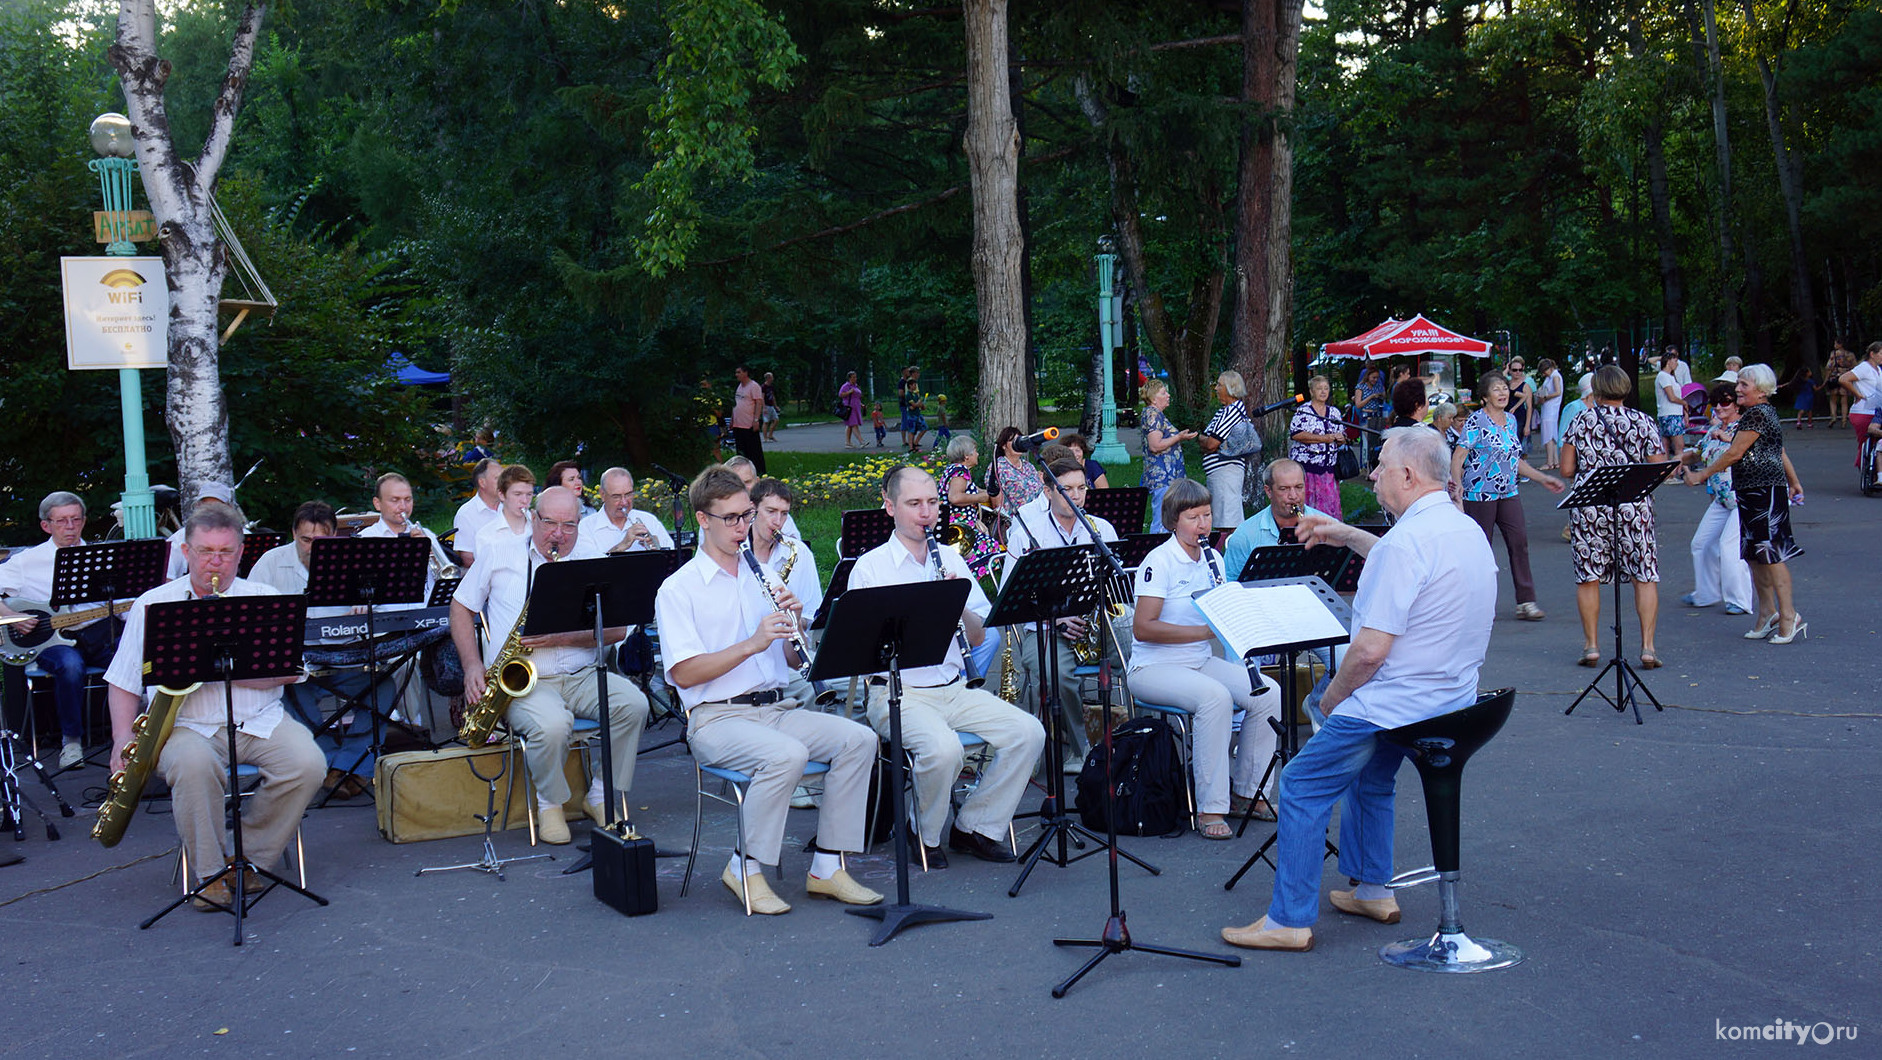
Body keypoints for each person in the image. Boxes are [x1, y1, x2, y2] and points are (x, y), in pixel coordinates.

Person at [1220, 427, 1495, 952]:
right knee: (1373, 775)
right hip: (1453, 700)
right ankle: (1373, 888)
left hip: (1398, 702)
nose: (1371, 474)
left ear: (1408, 476)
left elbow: (1368, 654)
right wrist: (1345, 534)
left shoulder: (1408, 543)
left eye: (1382, 465)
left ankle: (1288, 920)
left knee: (1300, 784)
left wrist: (1328, 702)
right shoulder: (1462, 530)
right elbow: (1399, 556)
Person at [654, 467, 881, 913]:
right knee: (787, 756)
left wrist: (797, 630)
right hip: (716, 718)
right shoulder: (678, 589)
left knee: (860, 738)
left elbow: (795, 661)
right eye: (731, 519)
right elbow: (682, 673)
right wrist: (753, 643)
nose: (743, 527)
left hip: (775, 707)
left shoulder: (766, 577)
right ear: (703, 519)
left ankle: (826, 867)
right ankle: (744, 868)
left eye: (747, 515)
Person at [105, 502, 325, 911]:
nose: (216, 562)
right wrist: (121, 738)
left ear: (241, 553)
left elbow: (290, 672)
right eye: (206, 552)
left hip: (259, 719)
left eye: (226, 552)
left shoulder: (265, 599)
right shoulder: (153, 603)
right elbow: (121, 681)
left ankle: (249, 859)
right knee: (192, 766)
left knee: (308, 764)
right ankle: (208, 874)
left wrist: (217, 668)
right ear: (186, 553)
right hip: (183, 725)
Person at [849, 467, 1045, 866]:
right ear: (890, 507)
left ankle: (975, 826)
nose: (926, 513)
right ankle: (924, 831)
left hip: (954, 687)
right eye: (914, 504)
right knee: (944, 748)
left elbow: (977, 637)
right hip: (896, 692)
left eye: (933, 503)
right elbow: (862, 650)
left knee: (1028, 732)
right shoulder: (870, 568)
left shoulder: (951, 558)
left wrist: (956, 601)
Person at [450, 487, 648, 844]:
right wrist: (472, 666)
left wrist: (561, 637)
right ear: (533, 518)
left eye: (569, 525)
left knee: (634, 706)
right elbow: (461, 606)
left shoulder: (592, 559)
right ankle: (550, 804)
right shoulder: (499, 552)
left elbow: (616, 629)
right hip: (526, 680)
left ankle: (601, 796)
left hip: (582, 673)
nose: (558, 534)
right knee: (553, 724)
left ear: (579, 523)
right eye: (550, 523)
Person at [1128, 480, 1284, 838]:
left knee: (1268, 693)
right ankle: (1210, 807)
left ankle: (1249, 792)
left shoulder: (1213, 558)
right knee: (1215, 698)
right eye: (1193, 517)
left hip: (1198, 662)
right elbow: (1143, 628)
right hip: (1154, 668)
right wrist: (1205, 633)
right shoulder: (1160, 561)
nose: (1203, 524)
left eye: (1207, 515)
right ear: (1172, 520)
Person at [253, 501, 386, 799]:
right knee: (285, 691)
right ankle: (329, 764)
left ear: (335, 535)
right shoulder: (270, 563)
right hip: (298, 666)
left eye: (321, 541)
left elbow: (377, 603)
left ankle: (350, 764)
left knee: (384, 685)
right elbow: (253, 618)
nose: (312, 547)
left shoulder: (354, 560)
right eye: (305, 540)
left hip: (345, 659)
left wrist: (365, 607)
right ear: (293, 534)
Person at [1002, 455, 1125, 769]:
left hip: (1096, 626)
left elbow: (1119, 589)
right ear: (1047, 492)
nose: (1076, 495)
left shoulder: (1101, 529)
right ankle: (1081, 748)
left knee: (1135, 653)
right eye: (1066, 489)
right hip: (1043, 628)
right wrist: (1054, 618)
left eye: (1081, 488)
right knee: (1055, 672)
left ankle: (1130, 742)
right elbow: (1010, 599)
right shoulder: (1026, 534)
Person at [1679, 365, 1806, 643]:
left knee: (1771, 556)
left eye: (1744, 385)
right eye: (1738, 383)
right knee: (1753, 555)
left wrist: (1703, 474)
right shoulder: (1752, 414)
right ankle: (1767, 613)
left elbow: (1736, 453)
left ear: (1760, 390)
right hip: (1748, 492)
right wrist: (1795, 481)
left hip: (1765, 492)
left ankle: (1789, 615)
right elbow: (1777, 451)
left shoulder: (1759, 414)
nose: (1737, 389)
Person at [1561, 366, 1673, 668]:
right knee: (1644, 573)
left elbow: (1567, 469)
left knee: (1588, 576)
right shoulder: (1643, 420)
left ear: (1596, 391)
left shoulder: (1581, 421)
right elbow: (1656, 467)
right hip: (1633, 505)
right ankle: (1648, 647)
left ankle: (1592, 645)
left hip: (1591, 505)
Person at [0, 492, 122, 769]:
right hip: (50, 640)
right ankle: (72, 742)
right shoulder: (27, 561)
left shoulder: (100, 556)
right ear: (47, 525)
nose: (70, 527)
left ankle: (132, 738)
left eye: (75, 519)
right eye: (62, 521)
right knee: (69, 665)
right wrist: (11, 616)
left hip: (97, 633)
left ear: (84, 521)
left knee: (135, 661)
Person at [1450, 370, 1565, 621]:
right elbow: (1459, 456)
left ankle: (1526, 601)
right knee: (1481, 549)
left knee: (1519, 542)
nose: (1502, 393)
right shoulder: (1476, 421)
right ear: (1484, 397)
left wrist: (1543, 477)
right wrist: (1457, 487)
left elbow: (1515, 461)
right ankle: (1476, 603)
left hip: (1508, 490)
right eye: (1496, 389)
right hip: (1479, 493)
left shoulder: (1511, 421)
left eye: (1504, 388)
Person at [746, 478, 824, 707]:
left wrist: (796, 619)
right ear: (752, 509)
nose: (777, 521)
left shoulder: (798, 553)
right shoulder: (735, 554)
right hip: (748, 656)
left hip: (789, 655)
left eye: (784, 514)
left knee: (849, 687)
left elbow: (812, 616)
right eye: (770, 511)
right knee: (810, 691)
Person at [1680, 384, 1753, 616]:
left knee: (1729, 547)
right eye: (1715, 402)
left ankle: (1739, 600)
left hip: (1742, 496)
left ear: (1736, 405)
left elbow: (1740, 451)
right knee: (1701, 543)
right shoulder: (1714, 430)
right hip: (1722, 499)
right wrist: (1675, 460)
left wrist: (1726, 437)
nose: (1719, 407)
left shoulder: (1743, 428)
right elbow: (1698, 451)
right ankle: (1706, 593)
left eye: (1725, 402)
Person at [1221, 459, 1330, 577]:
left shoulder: (1328, 526)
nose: (1293, 496)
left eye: (1299, 487)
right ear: (1268, 491)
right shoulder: (1245, 534)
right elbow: (1229, 581)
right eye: (1284, 489)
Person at [359, 472, 457, 573]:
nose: (403, 507)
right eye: (395, 500)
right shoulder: (365, 538)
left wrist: (431, 553)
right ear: (377, 504)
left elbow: (448, 574)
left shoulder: (426, 534)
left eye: (408, 499)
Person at [1200, 371, 1257, 529]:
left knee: (1228, 522)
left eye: (1219, 385)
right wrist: (1206, 440)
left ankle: (1231, 553)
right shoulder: (1223, 411)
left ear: (1231, 388)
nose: (1216, 388)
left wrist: (1206, 441)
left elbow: (1210, 443)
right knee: (1220, 520)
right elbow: (1205, 439)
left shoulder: (1232, 412)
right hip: (1220, 473)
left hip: (1226, 473)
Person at [939, 436, 1002, 578]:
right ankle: (971, 577)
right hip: (958, 529)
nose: (977, 454)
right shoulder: (960, 471)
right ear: (967, 456)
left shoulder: (954, 469)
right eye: (975, 451)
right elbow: (955, 497)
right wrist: (981, 497)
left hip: (960, 524)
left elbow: (971, 489)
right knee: (990, 545)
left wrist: (988, 492)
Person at [1139, 380, 1196, 532]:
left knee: (1168, 517)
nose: (1168, 395)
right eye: (1163, 393)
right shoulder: (1153, 414)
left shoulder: (1154, 414)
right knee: (1162, 521)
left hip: (1167, 476)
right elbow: (1155, 445)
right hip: (1163, 476)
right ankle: (1155, 549)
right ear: (1153, 398)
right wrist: (1178, 437)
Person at [1288, 375, 1346, 521]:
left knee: (1328, 506)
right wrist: (1324, 439)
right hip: (1307, 468)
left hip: (1328, 468)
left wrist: (1340, 439)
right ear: (1311, 391)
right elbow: (1296, 434)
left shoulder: (1334, 412)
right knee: (1307, 505)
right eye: (1319, 388)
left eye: (1326, 388)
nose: (1323, 392)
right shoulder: (1303, 410)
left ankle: (1328, 536)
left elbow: (1342, 435)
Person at [580, 468, 674, 553]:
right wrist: (622, 546)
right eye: (616, 496)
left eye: (628, 494)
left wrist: (660, 551)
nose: (624, 502)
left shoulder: (649, 520)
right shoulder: (586, 528)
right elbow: (589, 568)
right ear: (602, 494)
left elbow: (672, 558)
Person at [164, 482, 236, 579]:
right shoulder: (179, 538)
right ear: (197, 507)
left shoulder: (242, 535)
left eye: (217, 506)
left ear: (229, 508)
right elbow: (167, 578)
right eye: (206, 506)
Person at [724, 457, 801, 541]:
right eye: (735, 484)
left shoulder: (778, 514)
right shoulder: (717, 516)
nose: (742, 488)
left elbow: (796, 546)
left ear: (757, 482)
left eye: (747, 482)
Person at [1837, 341, 1882, 468]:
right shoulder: (1864, 368)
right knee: (1867, 440)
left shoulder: (1878, 369)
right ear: (1872, 354)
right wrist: (1857, 394)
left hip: (1875, 410)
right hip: (1863, 411)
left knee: (1876, 441)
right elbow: (1843, 379)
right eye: (1881, 353)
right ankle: (1865, 466)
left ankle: (1875, 469)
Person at [452, 457, 503, 566]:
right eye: (498, 478)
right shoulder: (466, 514)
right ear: (482, 483)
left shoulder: (512, 506)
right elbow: (468, 559)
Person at [474, 464, 536, 553]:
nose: (525, 500)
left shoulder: (539, 528)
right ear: (501, 495)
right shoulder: (485, 536)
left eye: (529, 494)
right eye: (517, 494)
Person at [989, 426, 1047, 518]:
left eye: (1019, 441)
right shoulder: (998, 466)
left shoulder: (1028, 466)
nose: (1017, 444)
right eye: (1013, 441)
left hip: (1037, 515)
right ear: (1004, 445)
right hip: (1015, 519)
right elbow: (996, 503)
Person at [1654, 347, 1694, 455]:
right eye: (1675, 361)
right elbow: (1671, 397)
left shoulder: (1669, 377)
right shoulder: (1664, 376)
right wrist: (1684, 403)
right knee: (1679, 445)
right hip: (1670, 415)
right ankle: (1677, 468)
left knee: (1666, 444)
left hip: (1671, 413)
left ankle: (1670, 469)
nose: (1677, 364)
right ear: (1669, 362)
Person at [730, 365, 766, 474]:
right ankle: (742, 471)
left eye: (739, 372)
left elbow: (758, 403)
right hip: (738, 424)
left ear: (745, 373)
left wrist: (756, 420)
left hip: (748, 424)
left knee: (753, 450)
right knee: (741, 451)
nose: (737, 375)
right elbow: (736, 404)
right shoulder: (739, 386)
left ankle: (758, 471)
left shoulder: (753, 386)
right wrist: (732, 419)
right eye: (736, 372)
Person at [1534, 358, 1564, 469]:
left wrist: (1545, 397)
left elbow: (1558, 392)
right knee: (1552, 435)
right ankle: (1555, 461)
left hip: (1550, 409)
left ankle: (1549, 462)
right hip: (1549, 409)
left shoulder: (1555, 377)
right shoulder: (1551, 377)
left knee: (1548, 436)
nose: (1543, 374)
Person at [1505, 357, 1534, 454]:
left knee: (1517, 444)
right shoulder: (1506, 384)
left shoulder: (1525, 386)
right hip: (1506, 416)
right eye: (1514, 370)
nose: (1517, 372)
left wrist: (1527, 426)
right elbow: (1498, 378)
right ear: (1510, 370)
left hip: (1520, 418)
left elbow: (1529, 407)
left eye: (1520, 370)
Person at [1824, 340, 1855, 428]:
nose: (1834, 345)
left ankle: (1833, 417)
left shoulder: (1833, 354)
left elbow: (1829, 367)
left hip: (1834, 378)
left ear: (1840, 344)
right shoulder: (1850, 355)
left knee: (1833, 400)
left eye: (1835, 343)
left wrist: (1826, 379)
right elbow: (1854, 367)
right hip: (1845, 378)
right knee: (1844, 401)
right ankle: (1844, 421)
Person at [1352, 366, 1385, 432]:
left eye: (1377, 378)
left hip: (1376, 416)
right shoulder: (1361, 387)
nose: (1375, 380)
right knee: (1366, 440)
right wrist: (1371, 397)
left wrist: (1381, 394)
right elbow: (1358, 405)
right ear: (1368, 376)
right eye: (1373, 378)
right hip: (1365, 416)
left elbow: (1384, 396)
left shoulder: (1378, 386)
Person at [839, 371, 865, 449]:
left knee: (849, 425)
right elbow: (841, 394)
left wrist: (860, 404)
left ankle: (848, 443)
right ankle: (861, 441)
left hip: (856, 407)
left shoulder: (855, 386)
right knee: (854, 424)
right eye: (853, 377)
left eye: (855, 377)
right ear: (849, 378)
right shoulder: (846, 386)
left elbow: (856, 397)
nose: (855, 379)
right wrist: (849, 392)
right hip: (849, 408)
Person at [760, 371, 781, 442]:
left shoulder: (771, 387)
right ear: (768, 378)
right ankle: (765, 438)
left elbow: (772, 396)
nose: (773, 379)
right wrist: (764, 407)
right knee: (766, 422)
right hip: (766, 406)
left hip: (771, 406)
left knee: (776, 420)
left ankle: (770, 435)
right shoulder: (763, 387)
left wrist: (776, 406)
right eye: (772, 377)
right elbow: (762, 397)